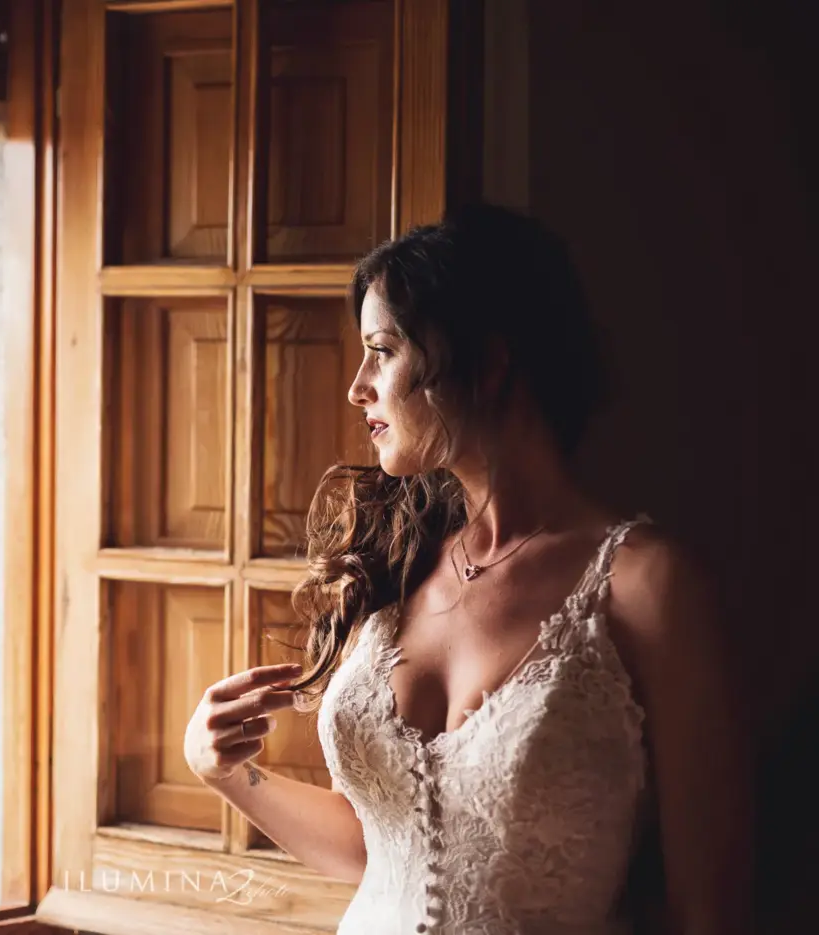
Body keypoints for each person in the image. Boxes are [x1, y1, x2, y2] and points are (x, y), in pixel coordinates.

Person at [185, 204, 752, 934]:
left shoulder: (647, 587)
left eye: (383, 350)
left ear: (488, 360)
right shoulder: (397, 561)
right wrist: (226, 770)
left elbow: (709, 908)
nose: (359, 385)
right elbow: (378, 845)